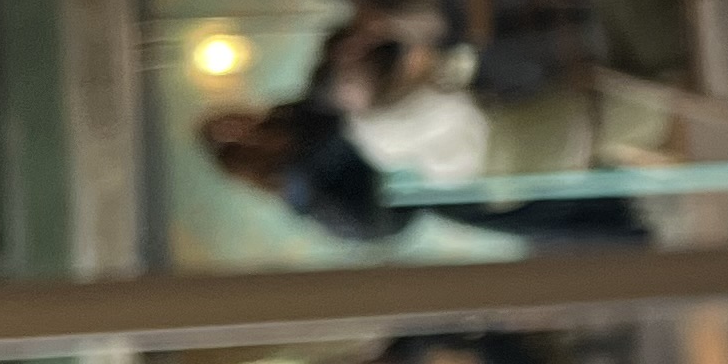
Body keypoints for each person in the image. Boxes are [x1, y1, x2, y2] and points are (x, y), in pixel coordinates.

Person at [196, 99, 643, 247]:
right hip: (424, 180)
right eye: (229, 136)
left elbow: (341, 114)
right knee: (540, 196)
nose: (239, 127)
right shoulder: (296, 186)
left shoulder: (288, 115)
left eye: (229, 121)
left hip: (421, 150)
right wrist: (387, 174)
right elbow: (368, 224)